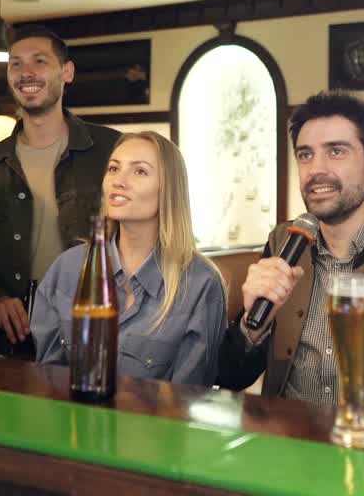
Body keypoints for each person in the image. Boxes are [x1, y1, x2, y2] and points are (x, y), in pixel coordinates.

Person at [217, 91, 364, 409]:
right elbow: (231, 376)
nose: (316, 169)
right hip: (285, 435)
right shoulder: (283, 244)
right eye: (305, 155)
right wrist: (251, 324)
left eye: (336, 151)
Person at [30, 131, 226, 385]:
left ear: (168, 190)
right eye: (113, 168)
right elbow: (47, 384)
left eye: (140, 171)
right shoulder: (66, 269)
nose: (118, 181)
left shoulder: (201, 284)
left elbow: (188, 398)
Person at [0, 24, 121, 346]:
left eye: (39, 61)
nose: (26, 73)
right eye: (16, 64)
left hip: (94, 328)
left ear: (67, 72)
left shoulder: (112, 150)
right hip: (12, 337)